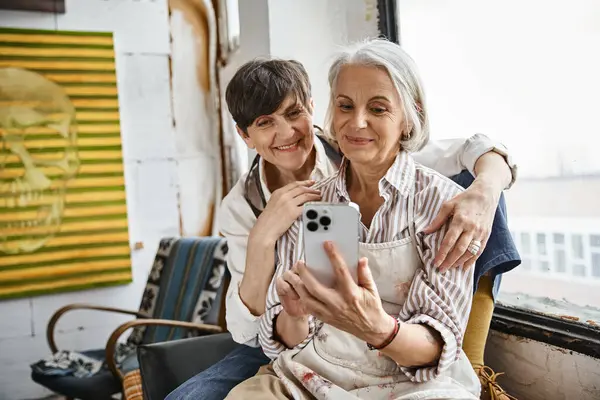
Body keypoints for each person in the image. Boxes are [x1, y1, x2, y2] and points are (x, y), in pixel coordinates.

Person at [166, 53, 519, 399]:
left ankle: (472, 360)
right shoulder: (247, 205)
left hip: (402, 360)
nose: (285, 133)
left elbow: (472, 150)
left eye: (293, 113)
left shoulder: (362, 150)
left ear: (311, 108)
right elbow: (250, 333)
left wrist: (486, 189)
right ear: (245, 136)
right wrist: (263, 238)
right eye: (264, 122)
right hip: (286, 346)